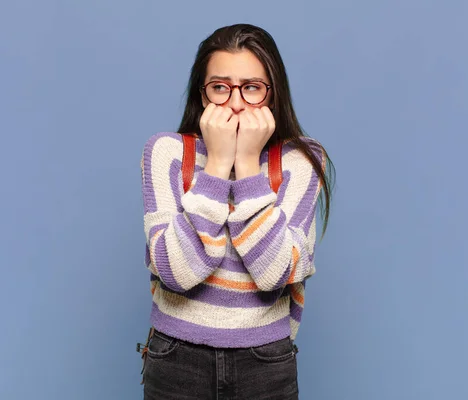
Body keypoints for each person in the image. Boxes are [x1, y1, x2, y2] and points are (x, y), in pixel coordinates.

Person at [139, 23, 335, 400]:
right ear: (203, 94)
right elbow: (177, 273)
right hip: (176, 358)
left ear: (272, 94)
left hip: (265, 364)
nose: (235, 103)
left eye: (251, 87)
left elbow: (274, 272)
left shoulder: (301, 161)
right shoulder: (166, 153)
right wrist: (216, 165)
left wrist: (246, 164)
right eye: (220, 87)